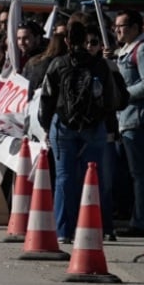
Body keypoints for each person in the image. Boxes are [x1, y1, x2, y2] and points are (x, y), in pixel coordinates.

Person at [38, 19, 124, 244]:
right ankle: (94, 227)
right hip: (94, 127)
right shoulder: (100, 66)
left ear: (66, 41)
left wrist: (47, 126)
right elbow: (113, 100)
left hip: (63, 126)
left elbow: (46, 99)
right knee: (92, 177)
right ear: (85, 41)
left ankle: (64, 231)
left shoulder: (58, 64)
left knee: (64, 177)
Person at [111, 9, 144, 238]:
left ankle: (142, 222)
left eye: (122, 25)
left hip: (138, 121)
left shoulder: (143, 50)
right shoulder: (125, 51)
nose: (117, 29)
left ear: (136, 27)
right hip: (125, 121)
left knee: (141, 174)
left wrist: (123, 95)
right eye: (116, 25)